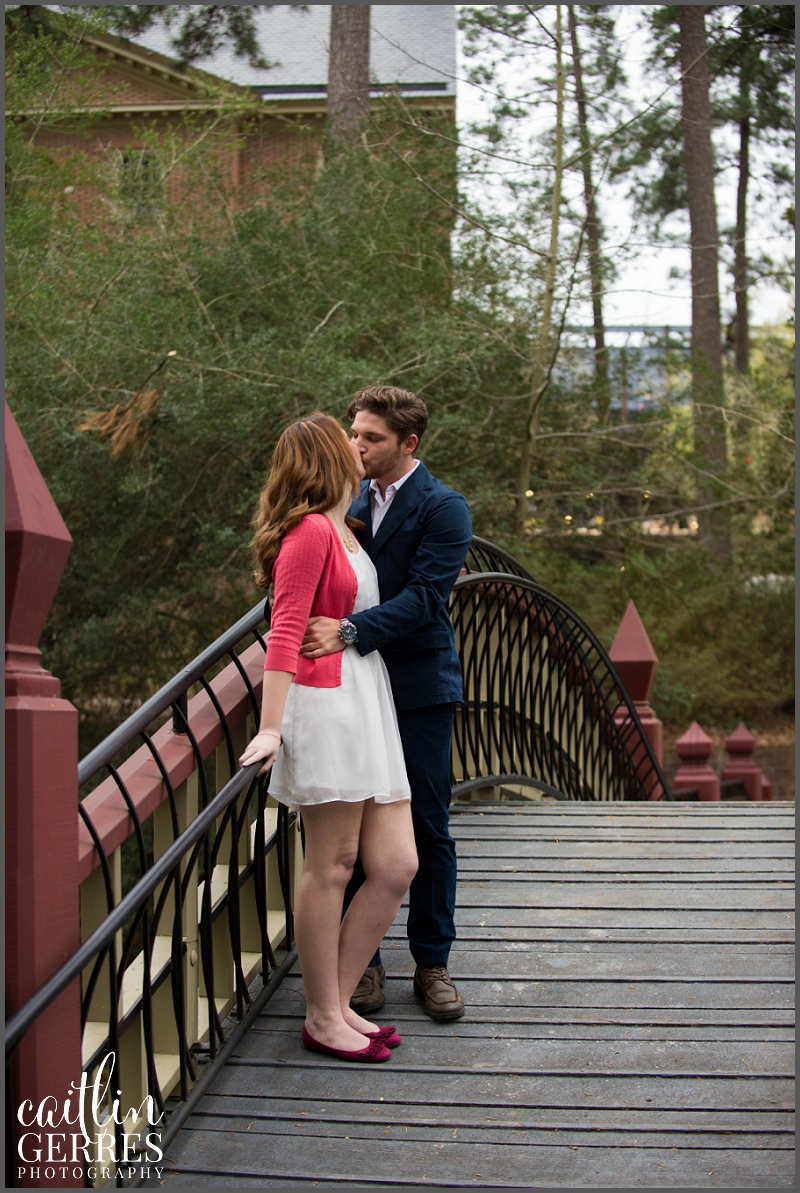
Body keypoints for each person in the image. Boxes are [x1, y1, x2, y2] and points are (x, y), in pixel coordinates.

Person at [239, 412, 418, 1064]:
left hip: (367, 706)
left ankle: (336, 1003)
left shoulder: (347, 527)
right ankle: (323, 1015)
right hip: (327, 707)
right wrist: (268, 728)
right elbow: (284, 631)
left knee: (397, 863)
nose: (357, 441)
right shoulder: (310, 531)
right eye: (347, 436)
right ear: (322, 455)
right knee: (332, 864)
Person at [300, 386, 473, 1021]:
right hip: (347, 691)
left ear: (409, 444)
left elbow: (429, 597)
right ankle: (363, 966)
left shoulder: (444, 508)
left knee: (426, 825)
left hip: (416, 687)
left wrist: (349, 631)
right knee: (350, 824)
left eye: (370, 437)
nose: (356, 444)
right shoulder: (340, 501)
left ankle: (432, 963)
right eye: (354, 432)